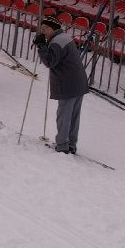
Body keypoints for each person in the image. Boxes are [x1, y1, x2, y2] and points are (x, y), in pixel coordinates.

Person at [33, 16, 90, 154]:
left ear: (52, 28)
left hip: (68, 84)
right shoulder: (64, 37)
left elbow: (50, 61)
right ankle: (71, 144)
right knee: (73, 116)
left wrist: (41, 47)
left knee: (64, 116)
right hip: (78, 83)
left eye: (44, 29)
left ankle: (63, 146)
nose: (42, 32)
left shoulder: (57, 42)